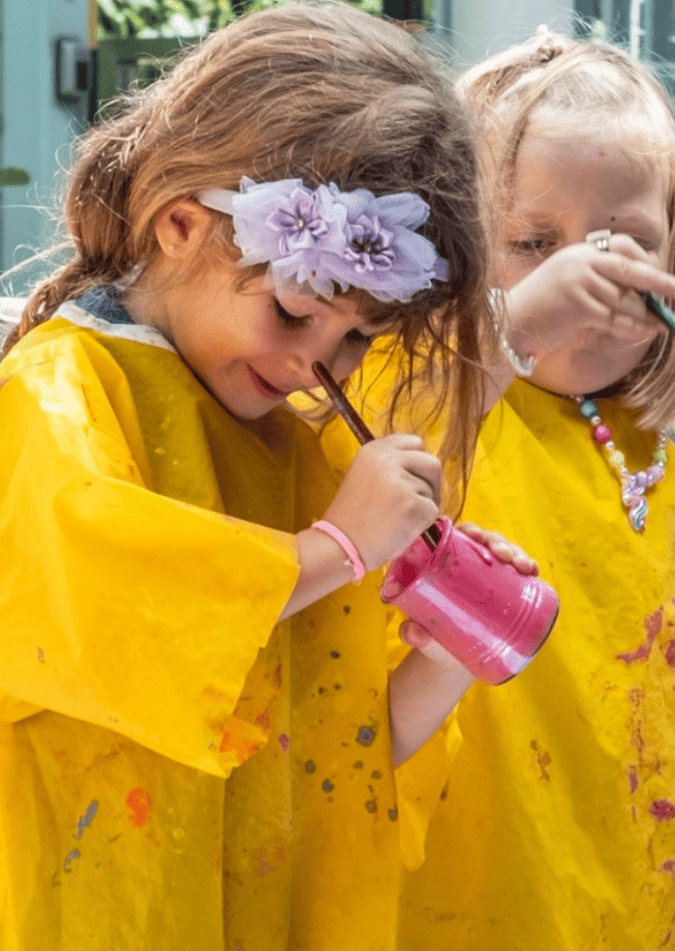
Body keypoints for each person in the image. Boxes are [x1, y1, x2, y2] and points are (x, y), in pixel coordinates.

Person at [0, 4, 536, 949]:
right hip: (100, 904)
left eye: (359, 336)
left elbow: (348, 749)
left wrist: (448, 646)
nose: (312, 366)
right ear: (179, 225)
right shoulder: (61, 389)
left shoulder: (306, 449)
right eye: (295, 313)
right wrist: (331, 548)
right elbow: (98, 614)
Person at [392, 27, 675, 951]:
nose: (579, 273)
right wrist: (515, 323)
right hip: (491, 903)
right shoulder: (457, 400)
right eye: (530, 242)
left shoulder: (653, 429)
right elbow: (406, 396)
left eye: (625, 242)